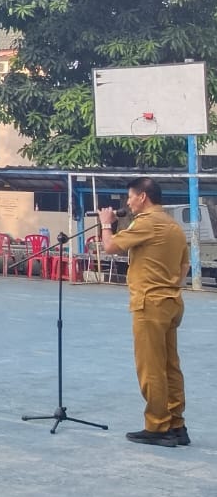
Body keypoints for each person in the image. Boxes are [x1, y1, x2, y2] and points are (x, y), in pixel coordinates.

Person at [98, 179, 191, 447]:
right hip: (171, 300)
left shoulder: (147, 222)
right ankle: (177, 423)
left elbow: (111, 247)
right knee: (170, 365)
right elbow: (184, 265)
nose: (128, 202)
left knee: (150, 367)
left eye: (130, 197)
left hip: (150, 302)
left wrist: (106, 223)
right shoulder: (173, 225)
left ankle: (157, 426)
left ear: (143, 197)